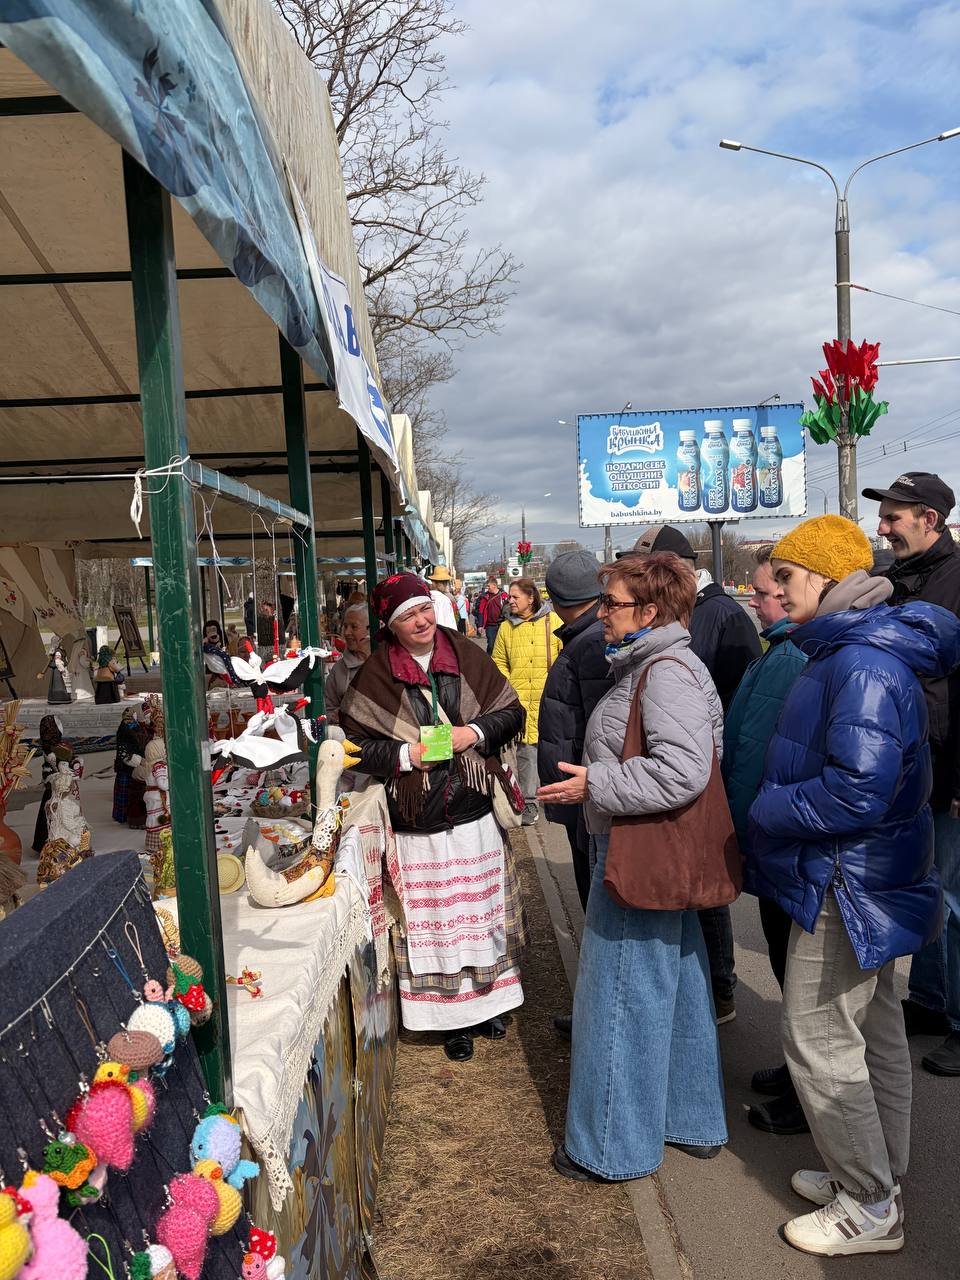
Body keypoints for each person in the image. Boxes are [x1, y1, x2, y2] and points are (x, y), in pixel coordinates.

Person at [748, 514, 960, 1255]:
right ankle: (876, 1178)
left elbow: (857, 791)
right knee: (874, 1034)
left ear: (827, 579)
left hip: (848, 879)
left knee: (817, 1038)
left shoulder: (860, 662)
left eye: (786, 575)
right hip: (865, 874)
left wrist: (768, 807)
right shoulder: (853, 649)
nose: (776, 588)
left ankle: (869, 1205)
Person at [538, 551, 728, 1182]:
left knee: (620, 997)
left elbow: (683, 770)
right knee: (677, 988)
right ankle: (690, 1117)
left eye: (613, 603)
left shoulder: (664, 672)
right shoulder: (663, 664)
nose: (603, 614)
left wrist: (595, 784)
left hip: (637, 851)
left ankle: (610, 1148)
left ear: (649, 612)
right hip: (654, 849)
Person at [339, 572, 526, 1062]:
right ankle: (449, 1021)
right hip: (416, 822)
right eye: (408, 616)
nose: (421, 621)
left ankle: (488, 1005)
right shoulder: (375, 675)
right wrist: (406, 756)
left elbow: (512, 712)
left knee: (480, 918)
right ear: (390, 624)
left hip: (472, 813)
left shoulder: (464, 654)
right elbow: (353, 746)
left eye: (425, 609)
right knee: (435, 924)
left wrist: (474, 734)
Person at [622, 525, 761, 1023]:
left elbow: (742, 695)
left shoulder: (723, 613)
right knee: (686, 884)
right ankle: (698, 990)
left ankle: (720, 989)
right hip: (681, 761)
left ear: (672, 566)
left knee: (704, 888)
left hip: (703, 767)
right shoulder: (684, 614)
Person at [862, 472, 960, 1076]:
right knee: (927, 890)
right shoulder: (898, 581)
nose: (883, 528)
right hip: (910, 765)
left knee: (953, 897)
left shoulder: (957, 579)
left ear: (929, 519)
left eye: (894, 517)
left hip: (948, 769)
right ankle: (929, 1000)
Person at [721, 545, 808, 1135]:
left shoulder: (792, 655)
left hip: (780, 834)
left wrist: (745, 824)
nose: (754, 601)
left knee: (799, 970)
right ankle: (798, 1069)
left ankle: (808, 1092)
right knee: (786, 961)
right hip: (770, 831)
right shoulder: (777, 650)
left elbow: (765, 755)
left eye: (762, 592)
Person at [537, 550, 611, 909]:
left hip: (586, 790)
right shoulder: (589, 637)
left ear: (556, 600)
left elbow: (602, 728)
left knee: (594, 889)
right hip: (583, 788)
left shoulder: (592, 642)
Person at [492, 577, 562, 825]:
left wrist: (557, 684)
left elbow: (564, 655)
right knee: (526, 752)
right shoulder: (506, 628)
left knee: (552, 751)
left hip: (549, 698)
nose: (510, 601)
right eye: (509, 596)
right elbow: (499, 661)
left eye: (515, 596)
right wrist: (509, 687)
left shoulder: (554, 622)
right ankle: (529, 802)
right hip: (520, 700)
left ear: (531, 598)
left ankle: (557, 798)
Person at [325, 601, 370, 724]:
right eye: (345, 626)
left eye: (354, 627)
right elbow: (327, 710)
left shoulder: (385, 662)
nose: (347, 632)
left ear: (369, 629)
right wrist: (334, 716)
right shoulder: (338, 669)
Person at [475, 577, 509, 653]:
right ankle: (489, 658)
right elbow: (481, 611)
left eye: (488, 586)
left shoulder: (503, 596)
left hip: (502, 624)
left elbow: (508, 609)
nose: (487, 588)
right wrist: (480, 625)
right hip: (490, 626)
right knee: (491, 645)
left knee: (502, 645)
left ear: (494, 585)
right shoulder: (485, 597)